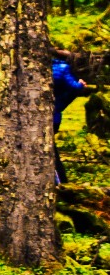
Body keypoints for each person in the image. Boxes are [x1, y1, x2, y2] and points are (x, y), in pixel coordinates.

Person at [52, 53, 90, 186]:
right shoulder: (63, 68)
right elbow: (73, 86)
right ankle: (59, 181)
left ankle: (59, 180)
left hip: (48, 113)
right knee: (51, 150)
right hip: (53, 116)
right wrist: (81, 84)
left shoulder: (45, 66)